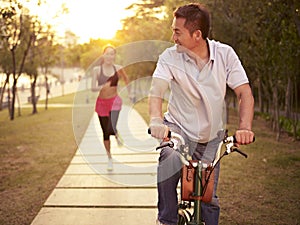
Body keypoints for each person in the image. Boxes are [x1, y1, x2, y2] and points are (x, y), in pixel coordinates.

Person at [148, 3, 255, 225]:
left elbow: (244, 92)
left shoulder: (225, 54)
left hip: (211, 135)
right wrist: (156, 120)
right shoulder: (170, 57)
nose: (173, 37)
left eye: (177, 31)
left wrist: (245, 127)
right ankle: (166, 220)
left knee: (208, 199)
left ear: (197, 35)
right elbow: (156, 91)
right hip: (178, 129)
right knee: (168, 159)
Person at [92, 44, 129, 171]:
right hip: (101, 103)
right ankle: (109, 158)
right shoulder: (97, 70)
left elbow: (126, 79)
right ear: (103, 55)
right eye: (107, 53)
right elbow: (93, 88)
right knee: (106, 133)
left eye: (112, 54)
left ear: (114, 56)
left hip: (114, 102)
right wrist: (102, 85)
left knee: (110, 126)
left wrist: (130, 92)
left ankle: (116, 133)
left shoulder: (118, 68)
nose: (109, 56)